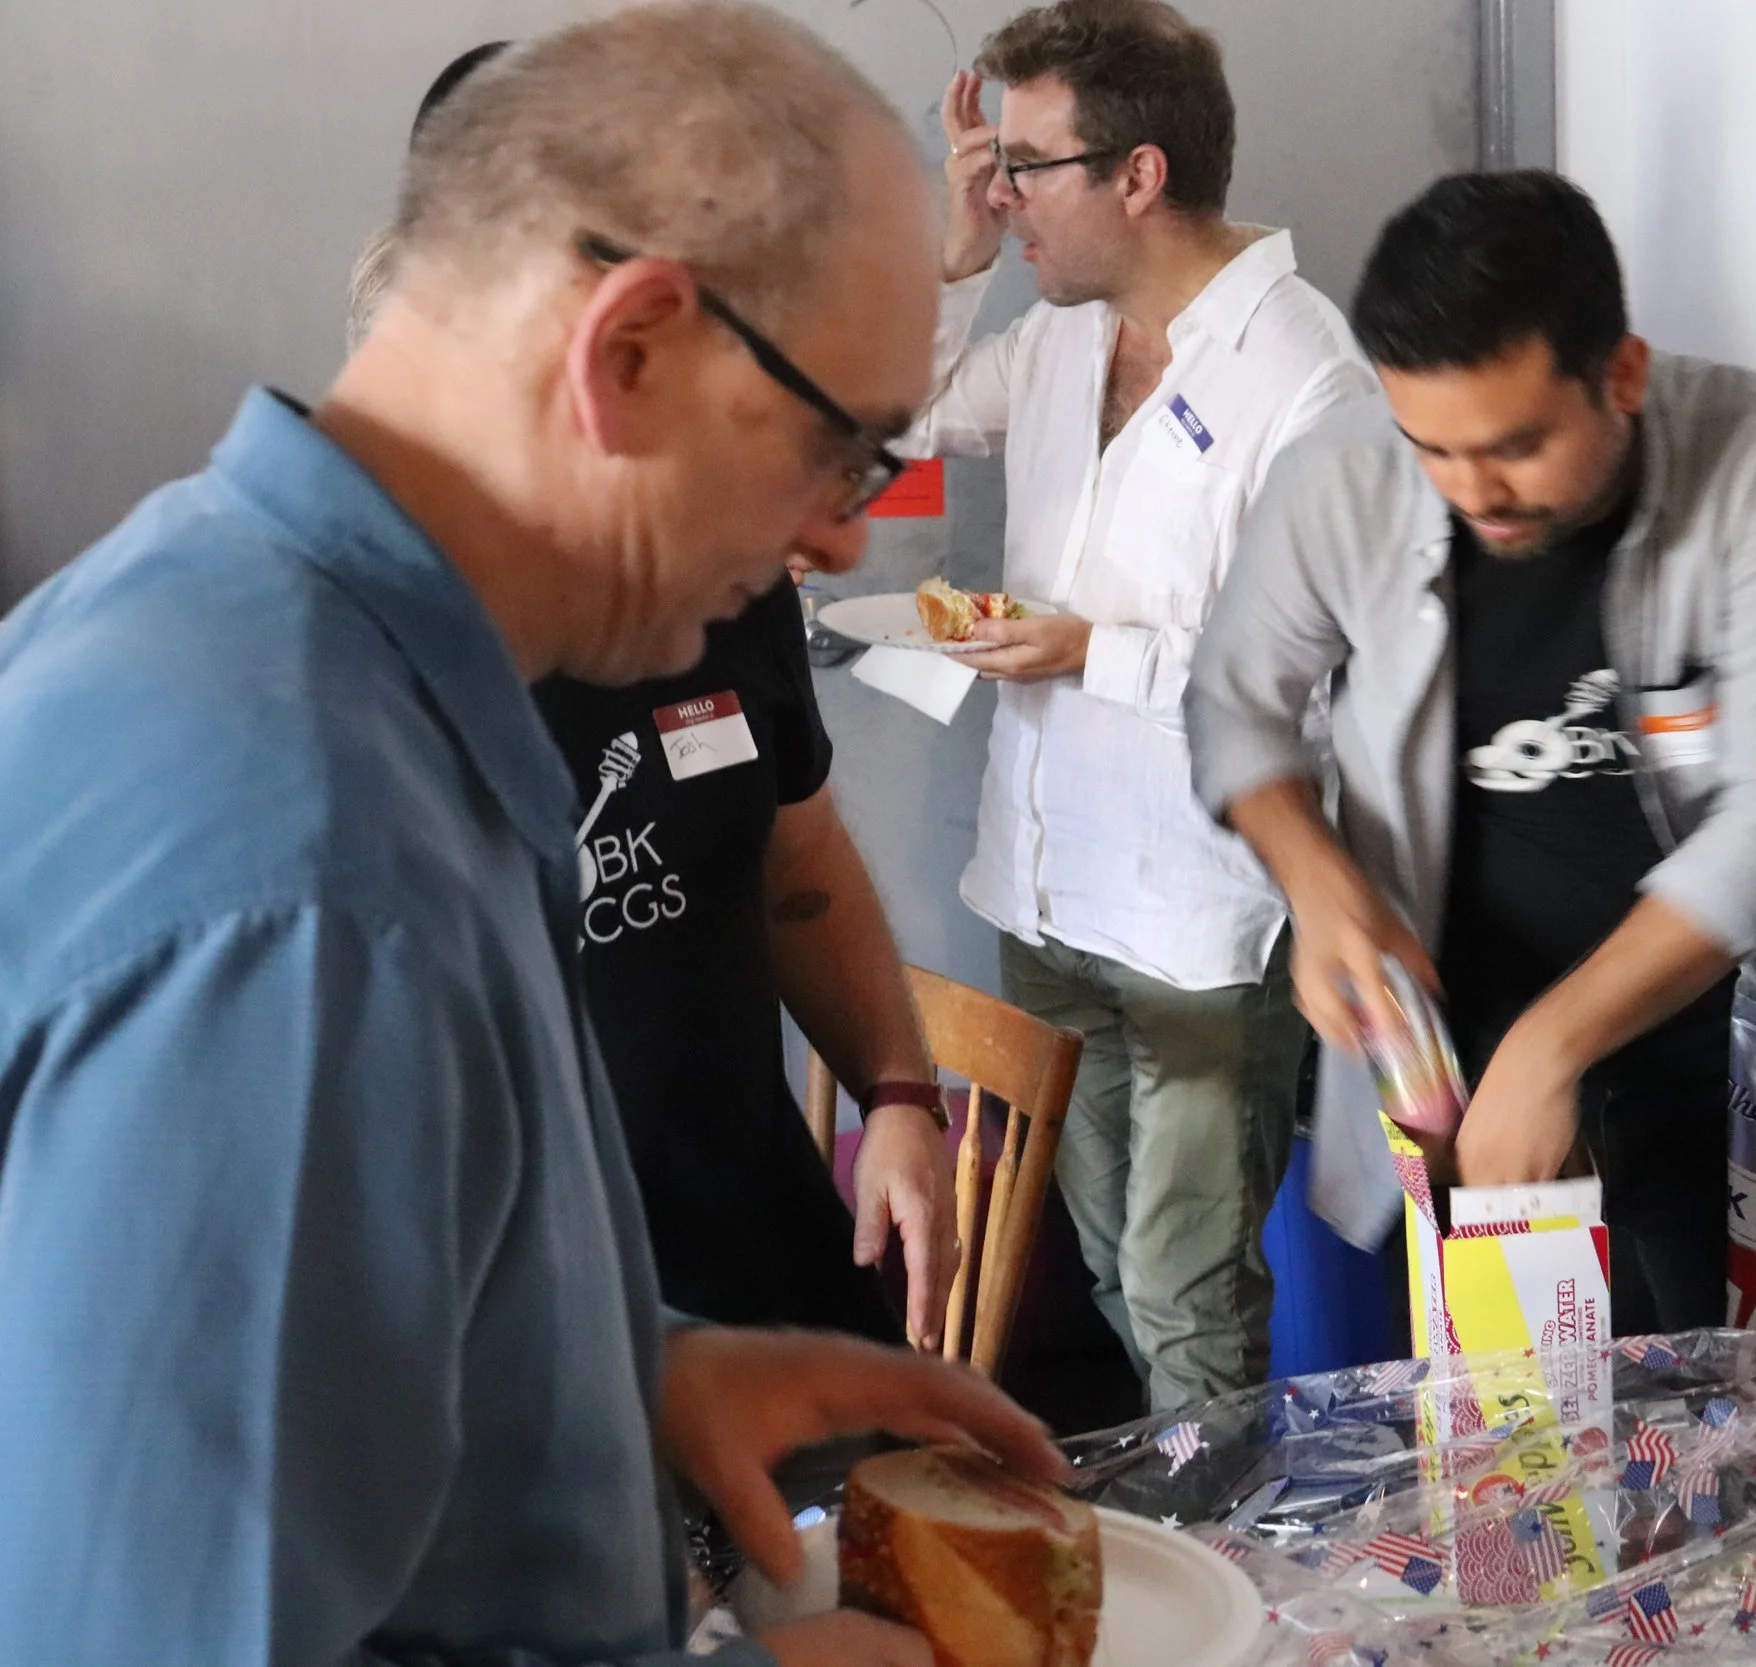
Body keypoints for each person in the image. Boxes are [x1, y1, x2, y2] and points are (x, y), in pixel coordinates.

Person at [0, 8, 1064, 1665]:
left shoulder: (266, 634)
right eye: (838, 450)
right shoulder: (309, 876)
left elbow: (327, 1344)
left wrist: (621, 1372)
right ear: (629, 348)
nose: (844, 535)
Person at [1186, 171, 1756, 1336]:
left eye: (1515, 446)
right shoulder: (1337, 474)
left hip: (1720, 1059)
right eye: (1432, 449)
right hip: (1453, 1066)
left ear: (1623, 375)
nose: (1473, 491)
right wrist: (1318, 882)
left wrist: (1555, 1045)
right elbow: (1234, 703)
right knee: (1506, 1428)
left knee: (1741, 1415)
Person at [367, 38, 956, 1353]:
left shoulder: (722, 581)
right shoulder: (331, 697)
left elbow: (795, 859)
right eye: (810, 437)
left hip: (742, 1280)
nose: (838, 540)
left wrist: (898, 1093)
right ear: (623, 347)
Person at [903, 0, 1376, 1408]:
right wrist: (954, 256)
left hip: (1197, 925)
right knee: (1116, 1271)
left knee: (1186, 1292)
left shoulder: (1307, 376)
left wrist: (1088, 653)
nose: (1003, 193)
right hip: (1047, 889)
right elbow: (895, 420)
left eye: (1023, 166)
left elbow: (1318, 675)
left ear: (1138, 174)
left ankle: (1229, 1536)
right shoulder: (1060, 333)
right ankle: (1200, 1502)